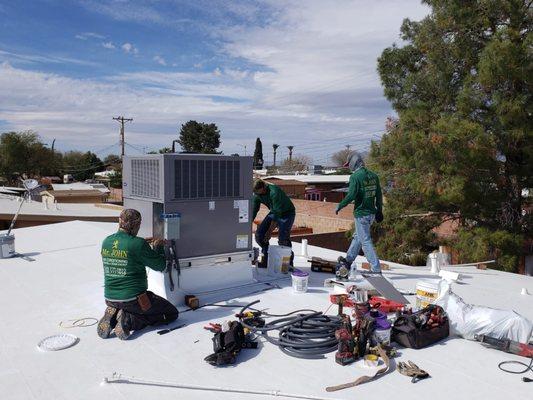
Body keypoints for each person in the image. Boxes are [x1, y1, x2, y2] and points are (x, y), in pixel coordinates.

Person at [97, 209, 178, 340]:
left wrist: (140, 246)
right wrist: (158, 247)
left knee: (123, 305)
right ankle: (128, 319)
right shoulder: (138, 244)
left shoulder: (107, 241)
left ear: (119, 222)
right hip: (133, 300)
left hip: (110, 297)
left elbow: (125, 254)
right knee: (171, 314)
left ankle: (114, 314)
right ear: (137, 225)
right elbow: (161, 265)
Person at [336, 151, 383, 274]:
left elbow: (351, 195)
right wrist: (379, 211)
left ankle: (376, 269)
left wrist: (340, 205)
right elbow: (378, 194)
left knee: (365, 241)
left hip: (361, 214)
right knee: (358, 237)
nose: (349, 168)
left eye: (349, 165)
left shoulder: (355, 177)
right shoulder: (373, 176)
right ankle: (348, 260)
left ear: (353, 163)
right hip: (371, 213)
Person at [252, 179, 296, 268]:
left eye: (257, 192)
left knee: (283, 239)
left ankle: (288, 264)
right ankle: (266, 260)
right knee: (259, 235)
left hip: (287, 213)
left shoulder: (274, 192)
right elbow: (254, 209)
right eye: (255, 192)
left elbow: (277, 215)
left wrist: (269, 232)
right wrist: (248, 222)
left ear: (263, 187)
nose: (256, 194)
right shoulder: (257, 194)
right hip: (274, 211)